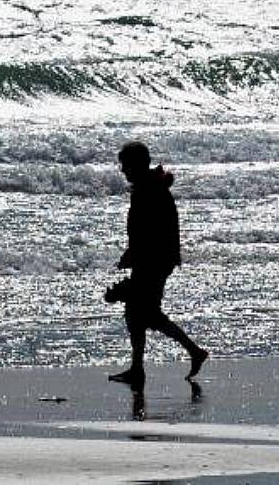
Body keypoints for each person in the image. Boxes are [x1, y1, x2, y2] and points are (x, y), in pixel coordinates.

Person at [107, 141, 208, 385]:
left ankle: (192, 351)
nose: (123, 170)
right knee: (137, 313)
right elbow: (146, 231)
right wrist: (131, 255)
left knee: (146, 314)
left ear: (136, 165)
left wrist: (134, 256)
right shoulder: (151, 186)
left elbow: (150, 232)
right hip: (156, 258)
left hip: (154, 260)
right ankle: (138, 368)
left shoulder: (149, 190)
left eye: (125, 165)